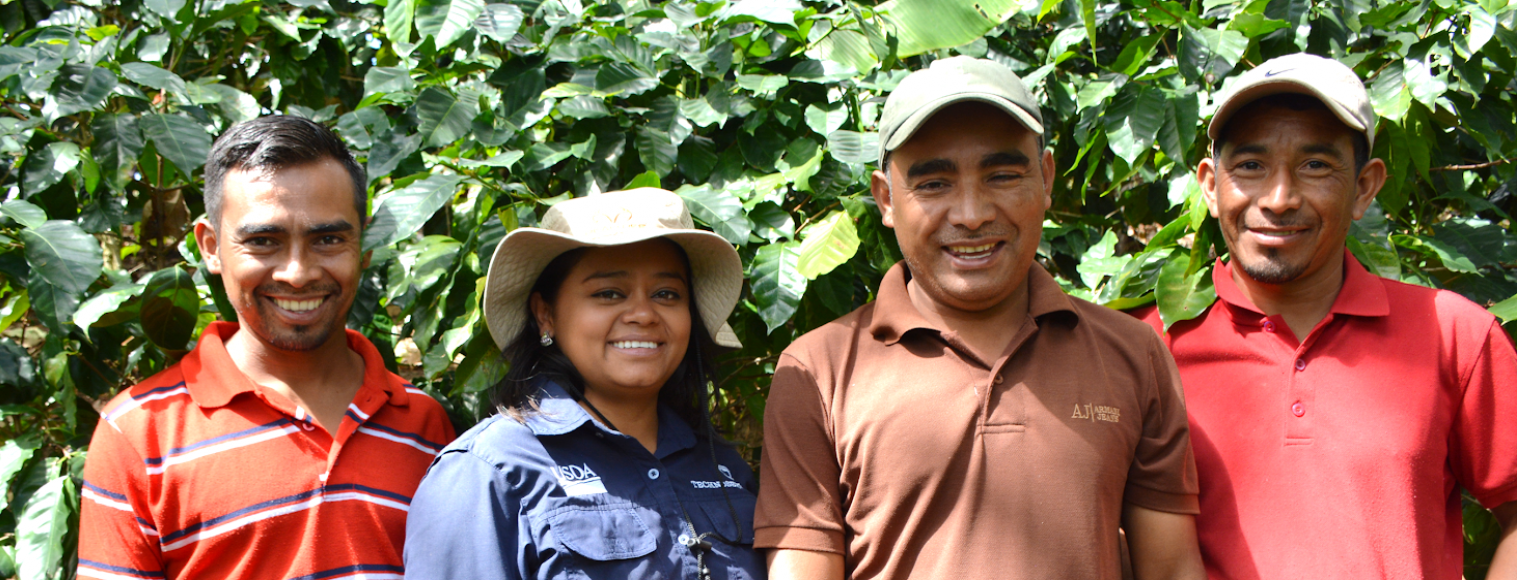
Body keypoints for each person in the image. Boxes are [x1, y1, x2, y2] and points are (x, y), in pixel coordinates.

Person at [755, 56, 1205, 580]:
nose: (971, 214)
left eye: (1002, 175)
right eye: (933, 184)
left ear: (1046, 179)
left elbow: (1172, 569)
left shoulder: (1132, 354)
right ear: (886, 199)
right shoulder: (818, 371)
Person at [1134, 52, 1517, 580]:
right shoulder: (1147, 345)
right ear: (1209, 184)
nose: (1279, 199)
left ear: (1364, 187)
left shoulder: (1453, 335)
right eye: (1250, 166)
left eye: (1315, 166)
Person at [77, 116, 455, 580]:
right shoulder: (137, 433)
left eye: (328, 239)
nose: (297, 273)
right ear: (211, 247)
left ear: (364, 244)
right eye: (263, 241)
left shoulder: (423, 423)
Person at [400, 187, 764, 580]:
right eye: (608, 293)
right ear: (546, 315)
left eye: (666, 294)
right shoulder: (489, 472)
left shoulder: (722, 464)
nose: (643, 313)